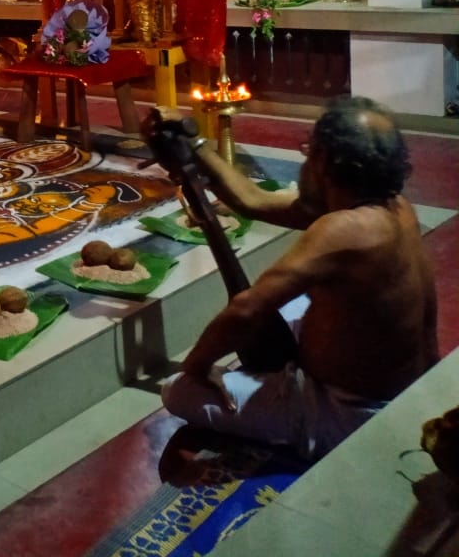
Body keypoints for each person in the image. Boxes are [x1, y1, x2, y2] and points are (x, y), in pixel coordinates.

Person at [158, 95, 438, 460]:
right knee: (294, 304)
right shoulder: (397, 208)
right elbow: (253, 200)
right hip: (411, 391)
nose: (304, 160)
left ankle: (308, 428)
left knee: (177, 391)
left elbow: (245, 310)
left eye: (309, 151)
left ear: (325, 163)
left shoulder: (344, 230)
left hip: (352, 414)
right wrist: (194, 142)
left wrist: (196, 368)